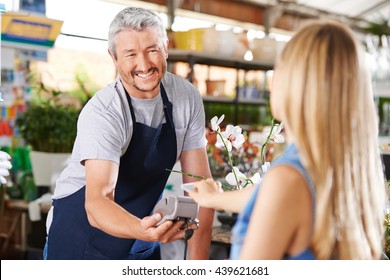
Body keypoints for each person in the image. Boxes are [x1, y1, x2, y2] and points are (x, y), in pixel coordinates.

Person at [189, 20, 387, 260]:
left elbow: (279, 193)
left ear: (294, 82)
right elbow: (266, 196)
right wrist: (214, 198)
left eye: (279, 67)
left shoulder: (287, 180)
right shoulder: (350, 168)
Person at [44, 6, 213, 260]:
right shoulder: (104, 112)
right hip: (80, 239)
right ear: (113, 58)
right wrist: (143, 231)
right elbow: (97, 203)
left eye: (152, 50)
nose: (143, 64)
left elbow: (200, 189)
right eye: (130, 54)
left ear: (165, 47)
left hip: (137, 241)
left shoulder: (185, 98)